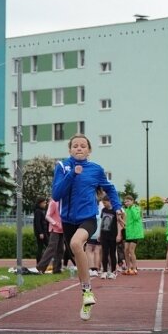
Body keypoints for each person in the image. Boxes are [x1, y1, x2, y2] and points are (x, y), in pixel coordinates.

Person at [51, 133, 122, 321]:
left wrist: (118, 207)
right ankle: (86, 295)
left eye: (83, 145)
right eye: (75, 145)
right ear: (69, 149)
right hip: (67, 221)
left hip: (88, 218)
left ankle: (88, 291)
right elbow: (57, 194)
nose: (79, 148)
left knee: (76, 244)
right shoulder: (62, 167)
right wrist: (72, 174)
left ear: (89, 150)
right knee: (75, 251)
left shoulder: (96, 169)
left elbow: (110, 188)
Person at [35, 198, 64, 274]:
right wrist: (55, 223)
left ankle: (57, 268)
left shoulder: (64, 202)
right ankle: (41, 267)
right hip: (55, 229)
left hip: (62, 229)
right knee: (52, 248)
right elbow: (47, 216)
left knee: (60, 249)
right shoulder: (54, 202)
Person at [99, 195, 119, 279]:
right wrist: (100, 234)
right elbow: (102, 222)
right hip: (104, 234)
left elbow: (118, 223)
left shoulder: (115, 211)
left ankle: (113, 271)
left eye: (105, 202)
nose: (104, 204)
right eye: (103, 203)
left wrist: (118, 234)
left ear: (109, 201)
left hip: (112, 235)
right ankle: (105, 271)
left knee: (112, 253)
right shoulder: (103, 210)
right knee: (105, 253)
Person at [122, 195, 143, 275]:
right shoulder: (126, 210)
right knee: (126, 250)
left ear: (132, 201)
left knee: (131, 250)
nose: (126, 203)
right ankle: (128, 268)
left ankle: (134, 268)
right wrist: (121, 220)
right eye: (125, 202)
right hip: (129, 233)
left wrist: (132, 208)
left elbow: (136, 217)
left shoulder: (137, 208)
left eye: (128, 201)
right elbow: (125, 222)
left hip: (135, 233)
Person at [33, 197, 49, 266]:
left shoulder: (41, 211)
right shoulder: (38, 211)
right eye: (44, 203)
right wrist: (40, 233)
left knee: (45, 247)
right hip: (41, 233)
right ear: (40, 203)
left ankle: (41, 262)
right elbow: (38, 223)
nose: (45, 204)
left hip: (43, 232)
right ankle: (39, 263)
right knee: (42, 247)